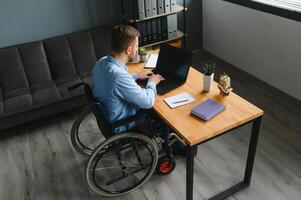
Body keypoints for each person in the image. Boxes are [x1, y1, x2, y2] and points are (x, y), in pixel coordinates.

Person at [92, 25, 184, 156]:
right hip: (122, 122)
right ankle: (172, 145)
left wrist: (135, 76)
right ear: (128, 50)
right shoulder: (118, 76)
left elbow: (114, 82)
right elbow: (147, 102)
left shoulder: (101, 63)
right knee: (162, 111)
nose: (138, 49)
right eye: (137, 45)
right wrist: (152, 83)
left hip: (108, 115)